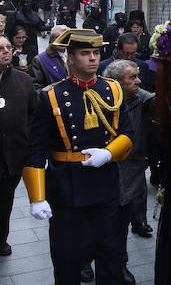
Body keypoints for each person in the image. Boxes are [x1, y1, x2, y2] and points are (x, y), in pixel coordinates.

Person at [23, 29, 134, 285]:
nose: (93, 59)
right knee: (66, 256)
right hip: (65, 187)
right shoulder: (50, 96)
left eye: (96, 53)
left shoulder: (112, 90)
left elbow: (127, 132)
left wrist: (108, 153)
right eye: (85, 53)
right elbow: (36, 149)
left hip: (104, 183)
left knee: (109, 252)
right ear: (70, 58)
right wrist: (37, 198)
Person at [106, 59, 155, 285]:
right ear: (116, 83)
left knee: (121, 224)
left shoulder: (143, 99)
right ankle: (87, 262)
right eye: (132, 78)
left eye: (137, 75)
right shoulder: (100, 100)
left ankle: (120, 264)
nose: (139, 80)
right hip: (105, 172)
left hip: (131, 170)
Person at [0, 37, 38, 256]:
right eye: (1, 48)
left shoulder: (23, 80)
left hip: (13, 157)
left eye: (8, 47)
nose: (6, 51)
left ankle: (1, 239)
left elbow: (34, 112)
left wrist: (27, 136)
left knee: (5, 203)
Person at [29, 25, 69, 89]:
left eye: (64, 37)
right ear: (52, 39)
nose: (61, 40)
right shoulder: (40, 60)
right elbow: (36, 87)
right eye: (57, 37)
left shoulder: (76, 56)